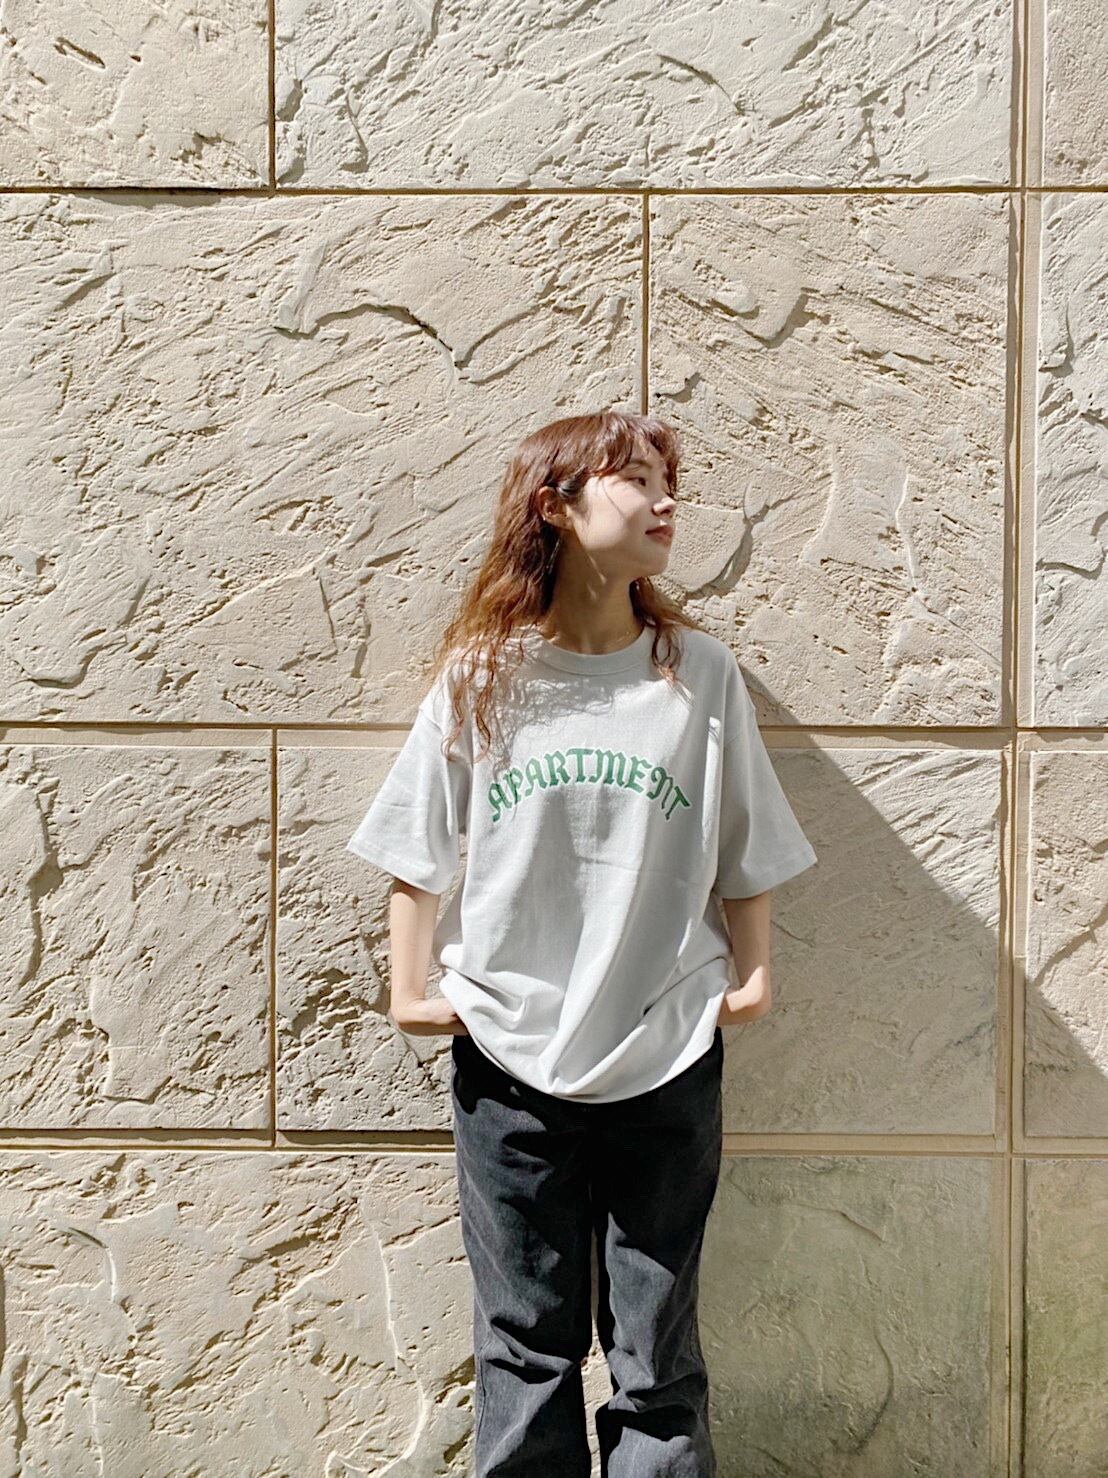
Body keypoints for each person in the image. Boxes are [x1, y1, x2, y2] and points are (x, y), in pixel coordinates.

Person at [345, 407, 818, 1476]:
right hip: (510, 1058)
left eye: (666, 480)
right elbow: (415, 847)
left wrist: (751, 978)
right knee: (525, 1345)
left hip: (666, 1050)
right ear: (554, 504)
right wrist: (411, 989)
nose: (665, 500)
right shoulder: (484, 676)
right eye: (634, 479)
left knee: (655, 1356)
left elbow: (745, 840)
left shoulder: (695, 676)